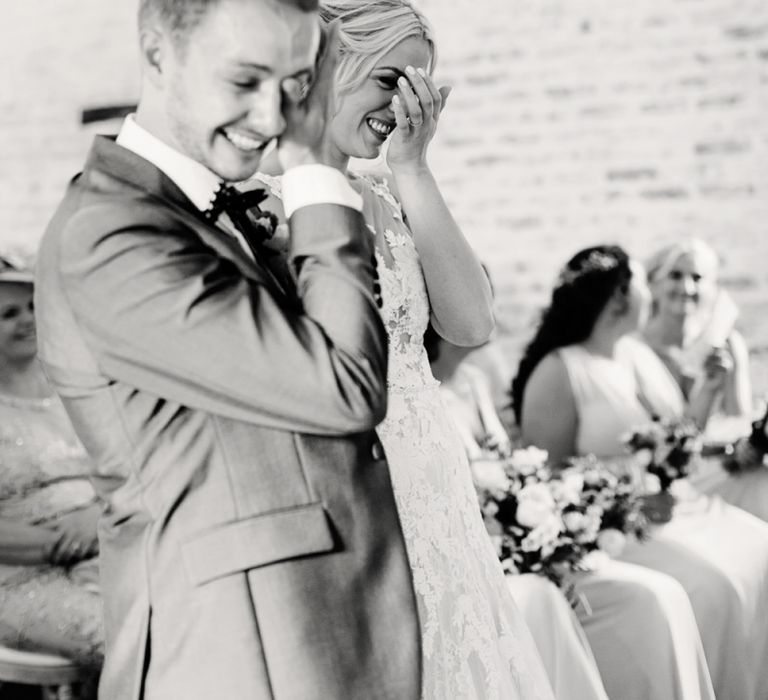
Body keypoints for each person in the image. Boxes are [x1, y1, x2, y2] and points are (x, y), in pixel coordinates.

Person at [33, 1, 422, 698]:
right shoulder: (108, 234)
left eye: (297, 83)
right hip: (239, 649)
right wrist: (316, 167)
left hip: (311, 626)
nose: (274, 118)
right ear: (157, 54)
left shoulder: (208, 209)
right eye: (244, 81)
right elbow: (344, 387)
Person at [250, 2, 556, 697]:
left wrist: (413, 169)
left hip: (435, 484)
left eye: (419, 89)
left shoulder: (391, 195)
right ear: (327, 66)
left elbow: (471, 324)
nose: (401, 107)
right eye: (388, 80)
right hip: (353, 487)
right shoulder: (260, 206)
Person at [514, 244, 768, 700]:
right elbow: (547, 480)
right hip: (621, 525)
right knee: (719, 585)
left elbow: (677, 436)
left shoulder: (635, 354)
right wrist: (624, 503)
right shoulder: (559, 371)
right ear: (619, 298)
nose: (652, 293)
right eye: (641, 283)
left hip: (680, 507)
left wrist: (710, 388)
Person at [426, 327, 610, 700]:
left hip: (510, 534)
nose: (490, 315)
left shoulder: (476, 380)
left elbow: (508, 464)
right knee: (542, 599)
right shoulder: (422, 392)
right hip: (473, 546)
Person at [0, 257, 102, 696]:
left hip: (108, 547)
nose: (27, 320)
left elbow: (129, 473)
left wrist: (100, 526)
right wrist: (69, 545)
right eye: (8, 314)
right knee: (132, 635)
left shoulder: (75, 387)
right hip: (21, 578)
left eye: (31, 306)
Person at [643, 238, 752, 425]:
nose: (687, 288)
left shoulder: (728, 344)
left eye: (697, 278)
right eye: (675, 276)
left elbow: (741, 423)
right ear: (654, 283)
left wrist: (723, 380)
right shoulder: (636, 347)